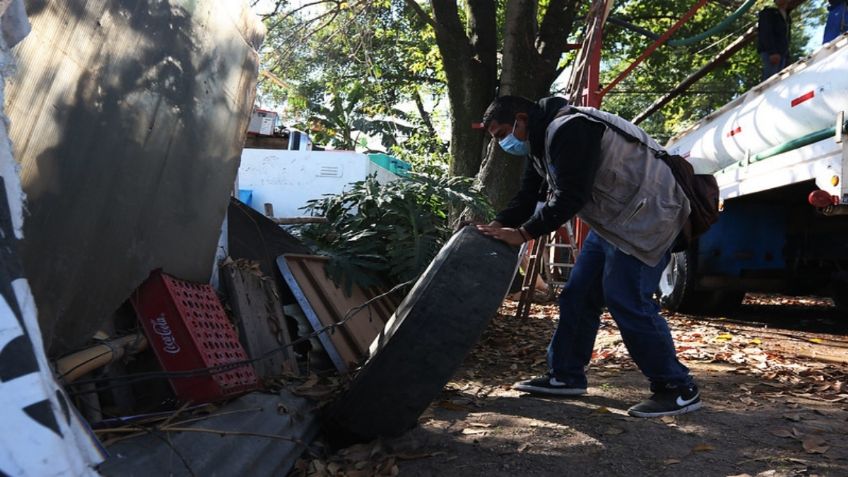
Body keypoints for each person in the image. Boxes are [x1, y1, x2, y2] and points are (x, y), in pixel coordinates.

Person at [476, 95, 701, 418]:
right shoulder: (542, 142)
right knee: (578, 295)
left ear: (521, 119)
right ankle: (565, 375)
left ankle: (677, 388)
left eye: (501, 135)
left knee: (627, 299)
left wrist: (523, 234)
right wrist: (497, 226)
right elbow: (529, 194)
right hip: (615, 219)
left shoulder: (571, 129)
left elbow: (571, 196)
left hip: (649, 215)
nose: (502, 144)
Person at [757, 0, 791, 80]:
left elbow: (786, 36)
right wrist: (772, 52)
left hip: (782, 53)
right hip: (771, 53)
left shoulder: (787, 16)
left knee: (781, 80)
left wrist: (787, 56)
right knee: (771, 81)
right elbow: (765, 32)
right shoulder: (768, 12)